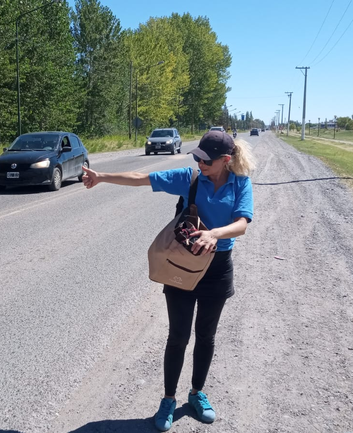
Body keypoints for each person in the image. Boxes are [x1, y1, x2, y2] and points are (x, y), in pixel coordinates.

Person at [82, 130, 254, 431]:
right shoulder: (190, 178)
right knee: (178, 336)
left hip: (217, 269)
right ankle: (168, 399)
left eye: (207, 160)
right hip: (182, 264)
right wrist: (102, 177)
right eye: (198, 158)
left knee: (206, 336)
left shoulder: (240, 182)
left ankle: (197, 393)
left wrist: (214, 234)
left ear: (226, 160)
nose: (200, 164)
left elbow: (242, 224)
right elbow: (141, 178)